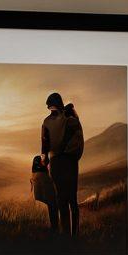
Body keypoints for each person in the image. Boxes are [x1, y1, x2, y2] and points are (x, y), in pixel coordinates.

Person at [41, 92, 81, 239]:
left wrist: (45, 161)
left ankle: (67, 235)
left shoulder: (47, 122)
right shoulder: (70, 118)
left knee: (63, 199)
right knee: (70, 199)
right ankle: (73, 235)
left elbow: (44, 145)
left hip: (58, 162)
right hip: (68, 161)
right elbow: (77, 135)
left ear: (51, 105)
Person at [30, 154, 57, 233]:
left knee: (51, 207)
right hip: (47, 195)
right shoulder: (44, 175)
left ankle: (54, 227)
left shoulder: (34, 174)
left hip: (41, 196)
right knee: (53, 206)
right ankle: (55, 227)